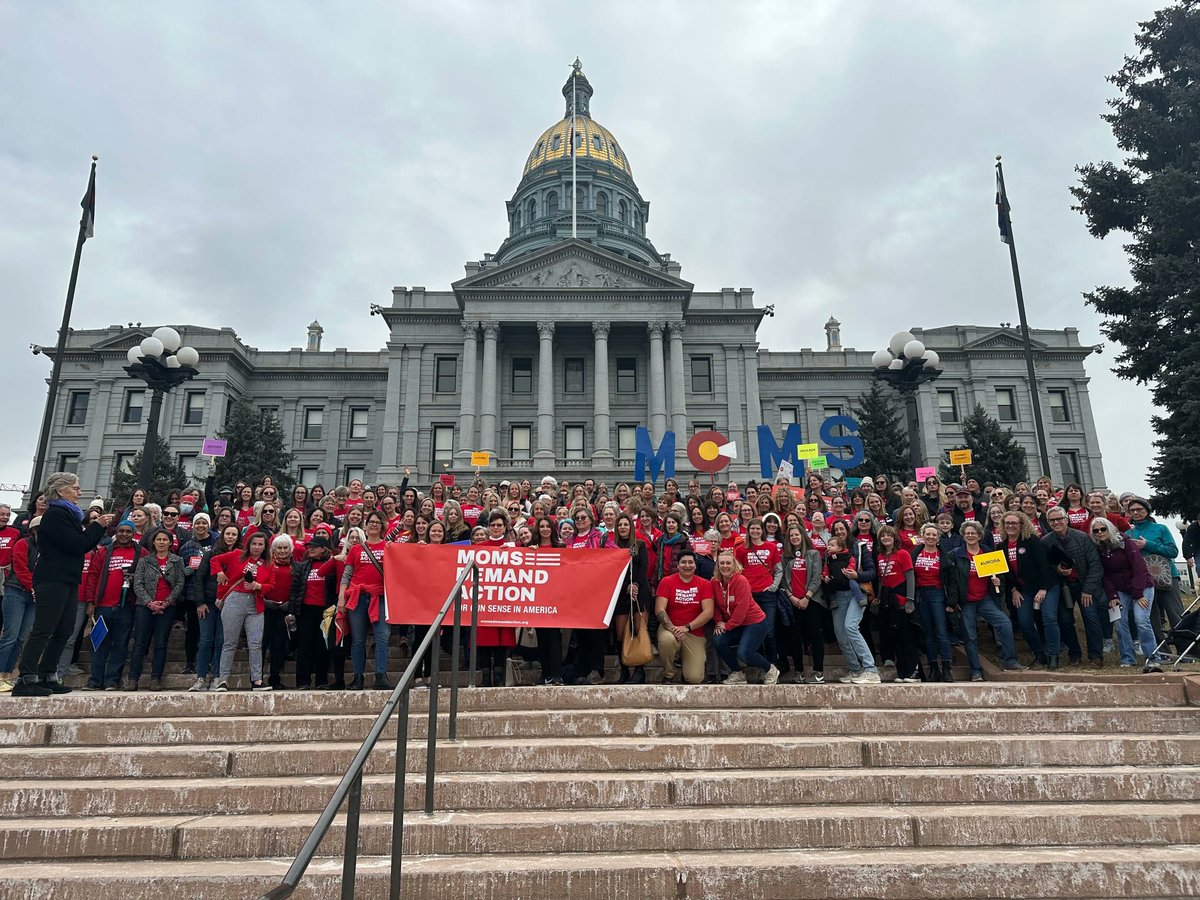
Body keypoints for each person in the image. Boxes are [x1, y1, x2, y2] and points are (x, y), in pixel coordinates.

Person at [12, 473, 112, 697]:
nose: (79, 492)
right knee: (43, 629)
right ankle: (26, 678)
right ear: (61, 491)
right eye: (75, 488)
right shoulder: (56, 514)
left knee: (64, 629)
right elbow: (78, 545)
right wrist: (97, 526)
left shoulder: (69, 515)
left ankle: (48, 674)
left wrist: (94, 527)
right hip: (52, 578)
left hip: (66, 578)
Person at [948, 520, 1024, 680]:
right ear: (963, 535)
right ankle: (975, 670)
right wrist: (954, 602)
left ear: (979, 535)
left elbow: (999, 580)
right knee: (970, 637)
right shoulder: (956, 554)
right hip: (966, 602)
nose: (970, 535)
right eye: (967, 533)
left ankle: (1010, 660)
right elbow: (951, 581)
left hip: (985, 599)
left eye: (973, 533)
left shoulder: (988, 553)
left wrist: (997, 582)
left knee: (1005, 623)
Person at [1092, 517, 1161, 667]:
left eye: (1102, 529)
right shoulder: (1099, 549)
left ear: (1109, 528)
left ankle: (1153, 657)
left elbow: (1139, 567)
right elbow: (1105, 575)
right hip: (1119, 589)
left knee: (1141, 620)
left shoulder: (1125, 542)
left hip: (1142, 586)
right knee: (1119, 621)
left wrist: (1138, 593)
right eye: (1096, 530)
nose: (1099, 532)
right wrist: (1112, 596)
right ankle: (1128, 658)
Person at [213, 531, 274, 692]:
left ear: (265, 547)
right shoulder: (237, 555)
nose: (257, 547)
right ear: (248, 544)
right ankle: (222, 680)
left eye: (260, 544)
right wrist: (219, 572)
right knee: (229, 642)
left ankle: (257, 680)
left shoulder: (268, 563)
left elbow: (271, 585)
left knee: (255, 643)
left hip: (255, 603)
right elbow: (215, 560)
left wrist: (258, 586)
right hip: (235, 599)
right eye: (254, 544)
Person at [1043, 507, 1105, 668]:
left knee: (1091, 618)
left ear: (1066, 519)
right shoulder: (1046, 541)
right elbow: (1045, 566)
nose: (1056, 522)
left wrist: (1088, 590)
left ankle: (1096, 656)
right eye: (1052, 520)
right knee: (1065, 620)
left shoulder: (1082, 538)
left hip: (1084, 584)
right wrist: (1057, 570)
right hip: (1063, 586)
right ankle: (1074, 654)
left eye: (1059, 519)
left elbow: (1095, 565)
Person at [125, 528, 185, 692]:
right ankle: (133, 678)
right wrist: (149, 603)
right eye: (158, 539)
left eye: (165, 540)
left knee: (161, 644)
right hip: (145, 607)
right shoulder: (144, 561)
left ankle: (156, 678)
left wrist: (167, 602)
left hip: (167, 607)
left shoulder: (177, 560)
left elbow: (180, 583)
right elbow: (137, 584)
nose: (161, 542)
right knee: (140, 643)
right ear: (153, 542)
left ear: (170, 543)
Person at [339, 512, 392, 690]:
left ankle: (381, 675)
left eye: (378, 522)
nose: (374, 525)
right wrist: (341, 597)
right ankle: (357, 677)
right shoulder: (356, 549)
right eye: (371, 522)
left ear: (382, 526)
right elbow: (347, 575)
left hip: (381, 596)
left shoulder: (389, 547)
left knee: (382, 637)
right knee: (358, 639)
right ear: (366, 526)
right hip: (357, 596)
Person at [1125, 497, 1185, 651]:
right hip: (1143, 580)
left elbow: (1173, 551)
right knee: (1151, 617)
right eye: (1133, 510)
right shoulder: (1127, 533)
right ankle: (1162, 652)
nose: (1136, 512)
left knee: (1175, 614)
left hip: (1167, 577)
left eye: (1140, 509)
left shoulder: (1161, 528)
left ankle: (1185, 650)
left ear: (1147, 511)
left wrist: (1147, 544)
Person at [1001, 510, 1058, 668]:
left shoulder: (1031, 540)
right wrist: (1013, 590)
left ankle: (1053, 654)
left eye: (1014, 523)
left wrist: (1043, 588)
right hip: (1023, 589)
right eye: (1007, 523)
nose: (1010, 526)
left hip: (1046, 586)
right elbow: (1006, 573)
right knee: (1025, 622)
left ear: (1022, 525)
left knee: (1049, 618)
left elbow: (1043, 565)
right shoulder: (1002, 546)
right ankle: (1040, 655)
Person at [711, 549, 778, 685]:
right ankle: (738, 673)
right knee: (718, 639)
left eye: (728, 563)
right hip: (735, 624)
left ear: (734, 564)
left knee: (744, 653)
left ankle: (770, 669)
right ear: (717, 565)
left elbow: (741, 610)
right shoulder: (714, 582)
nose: (725, 566)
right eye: (722, 563)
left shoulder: (741, 580)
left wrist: (727, 626)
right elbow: (714, 605)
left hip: (754, 622)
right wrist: (719, 622)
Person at [188, 524, 240, 691]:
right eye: (228, 533)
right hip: (209, 603)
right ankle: (201, 677)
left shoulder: (241, 556)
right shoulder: (211, 555)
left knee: (221, 641)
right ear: (222, 535)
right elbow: (199, 579)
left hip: (230, 604)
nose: (230, 537)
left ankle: (218, 676)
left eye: (234, 534)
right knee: (205, 640)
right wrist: (200, 602)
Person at [824, 533, 880, 684]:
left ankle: (870, 669)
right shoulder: (828, 555)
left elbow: (872, 572)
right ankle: (855, 669)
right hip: (838, 596)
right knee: (841, 634)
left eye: (843, 529)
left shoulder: (858, 548)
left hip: (856, 593)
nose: (840, 532)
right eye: (836, 530)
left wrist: (856, 575)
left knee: (851, 627)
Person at [655, 549, 714, 685]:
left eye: (690, 562)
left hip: (694, 632)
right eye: (683, 562)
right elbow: (660, 610)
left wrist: (687, 627)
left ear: (695, 565)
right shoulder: (667, 581)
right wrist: (674, 629)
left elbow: (708, 612)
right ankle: (668, 674)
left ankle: (683, 661)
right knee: (667, 641)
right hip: (670, 629)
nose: (687, 565)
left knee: (694, 679)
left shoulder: (704, 584)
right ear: (678, 565)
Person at [909, 524, 956, 682]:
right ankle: (934, 667)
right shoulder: (915, 553)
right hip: (921, 594)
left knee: (942, 632)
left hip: (938, 594)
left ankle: (947, 667)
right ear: (922, 536)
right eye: (927, 534)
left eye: (933, 535)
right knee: (927, 632)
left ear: (938, 537)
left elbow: (952, 580)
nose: (930, 537)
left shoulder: (944, 555)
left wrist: (952, 602)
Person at [779, 524, 825, 683]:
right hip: (793, 601)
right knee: (794, 637)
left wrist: (807, 597)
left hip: (811, 600)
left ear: (802, 536)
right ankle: (799, 671)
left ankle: (818, 671)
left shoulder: (813, 554)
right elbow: (783, 580)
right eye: (791, 535)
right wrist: (791, 597)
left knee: (815, 635)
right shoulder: (786, 557)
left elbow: (817, 577)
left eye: (797, 535)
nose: (794, 538)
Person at [612, 512, 652, 684]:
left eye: (626, 524)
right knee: (621, 633)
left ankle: (639, 671)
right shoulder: (611, 546)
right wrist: (625, 587)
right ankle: (624, 670)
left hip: (639, 591)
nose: (623, 527)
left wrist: (635, 584)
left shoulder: (640, 545)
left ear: (631, 527)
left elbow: (644, 567)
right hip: (620, 593)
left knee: (637, 630)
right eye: (620, 525)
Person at [875, 526, 919, 682]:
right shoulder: (880, 556)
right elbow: (881, 579)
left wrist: (910, 599)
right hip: (888, 600)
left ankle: (913, 671)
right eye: (883, 536)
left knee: (907, 636)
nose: (886, 538)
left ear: (894, 538)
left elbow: (910, 577)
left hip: (901, 598)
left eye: (889, 535)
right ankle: (902, 673)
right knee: (895, 637)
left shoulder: (903, 554)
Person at [0, 519, 39, 692]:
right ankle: (0, 673)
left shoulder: (48, 549)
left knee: (21, 638)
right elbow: (21, 568)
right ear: (33, 531)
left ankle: (7, 674)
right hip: (16, 591)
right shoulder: (23, 543)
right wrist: (33, 587)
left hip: (33, 596)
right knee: (10, 636)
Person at [261, 535, 296, 690]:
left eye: (285, 548)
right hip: (266, 609)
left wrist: (290, 604)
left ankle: (275, 677)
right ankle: (256, 678)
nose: (282, 551)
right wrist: (267, 602)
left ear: (290, 549)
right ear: (273, 549)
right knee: (261, 644)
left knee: (279, 645)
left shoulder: (296, 566)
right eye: (279, 548)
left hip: (284, 611)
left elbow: (298, 589)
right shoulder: (265, 565)